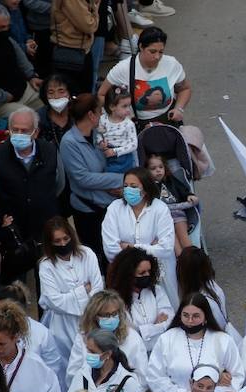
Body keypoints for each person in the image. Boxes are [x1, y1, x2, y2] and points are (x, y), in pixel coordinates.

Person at [59, 94, 124, 266]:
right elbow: (83, 178)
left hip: (110, 204)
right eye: (100, 112)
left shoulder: (98, 134)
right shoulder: (69, 142)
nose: (103, 115)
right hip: (89, 210)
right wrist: (122, 180)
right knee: (98, 257)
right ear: (91, 115)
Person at [0, 109, 63, 252]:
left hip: (46, 223)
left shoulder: (50, 151)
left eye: (24, 131)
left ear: (35, 132)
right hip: (16, 228)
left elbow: (60, 183)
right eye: (14, 130)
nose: (18, 134)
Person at [145, 293, 240, 392]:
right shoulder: (167, 339)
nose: (190, 321)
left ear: (206, 317)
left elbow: (237, 376)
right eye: (185, 315)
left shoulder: (223, 340)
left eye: (196, 316)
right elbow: (155, 376)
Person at [101, 166, 175, 301]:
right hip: (125, 275)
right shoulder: (114, 209)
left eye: (133, 186)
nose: (128, 189)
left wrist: (131, 247)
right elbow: (111, 250)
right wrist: (149, 247)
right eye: (126, 186)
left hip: (158, 274)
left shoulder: (160, 209)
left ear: (145, 189)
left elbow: (166, 248)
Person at [98, 26, 190, 127]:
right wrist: (119, 116)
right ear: (141, 47)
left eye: (161, 52)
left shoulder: (172, 64)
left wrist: (178, 109)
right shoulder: (123, 68)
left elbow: (184, 89)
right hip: (136, 124)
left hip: (167, 120)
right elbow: (101, 95)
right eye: (152, 51)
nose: (157, 57)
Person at [38, 217, 102, 360]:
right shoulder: (46, 266)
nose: (62, 243)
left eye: (66, 239)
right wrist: (82, 291)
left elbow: (97, 288)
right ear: (50, 243)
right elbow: (55, 301)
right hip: (63, 326)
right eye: (57, 241)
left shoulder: (87, 254)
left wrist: (69, 296)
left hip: (91, 318)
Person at [97, 85, 136, 175]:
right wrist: (100, 142)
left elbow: (133, 144)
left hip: (123, 156)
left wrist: (116, 152)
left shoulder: (129, 124)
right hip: (105, 153)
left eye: (129, 106)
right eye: (124, 106)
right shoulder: (102, 119)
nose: (128, 110)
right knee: (105, 176)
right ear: (112, 107)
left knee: (122, 178)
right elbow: (98, 134)